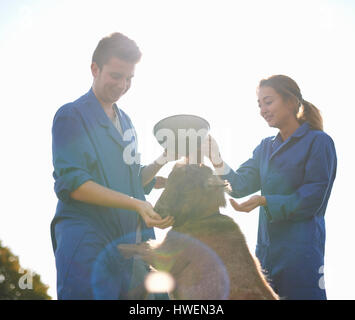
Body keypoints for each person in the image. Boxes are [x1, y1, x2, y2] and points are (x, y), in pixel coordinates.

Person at [50, 32, 174, 300]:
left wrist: (165, 157)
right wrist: (137, 204)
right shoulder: (71, 116)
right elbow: (75, 185)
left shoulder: (127, 122)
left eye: (129, 78)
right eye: (116, 76)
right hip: (87, 237)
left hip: (127, 240)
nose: (122, 85)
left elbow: (133, 181)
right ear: (95, 69)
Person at [203, 75, 337, 300]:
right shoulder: (265, 147)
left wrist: (266, 201)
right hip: (266, 256)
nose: (263, 110)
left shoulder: (319, 142)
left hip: (301, 254)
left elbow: (313, 197)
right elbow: (239, 185)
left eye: (268, 102)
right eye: (259, 104)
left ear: (291, 102)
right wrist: (216, 159)